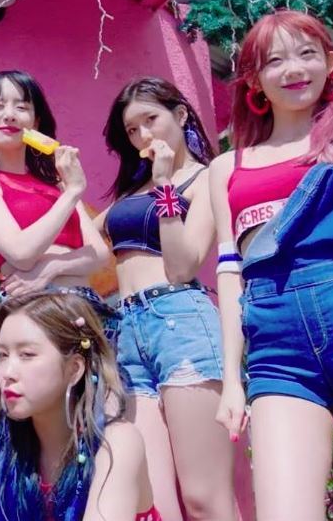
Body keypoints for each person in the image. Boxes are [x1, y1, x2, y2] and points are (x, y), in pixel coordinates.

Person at [210, 9, 333, 519]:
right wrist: (232, 378)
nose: (293, 69)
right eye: (274, 61)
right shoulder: (228, 166)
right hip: (276, 345)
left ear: (330, 62)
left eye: (307, 53)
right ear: (253, 79)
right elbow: (230, 269)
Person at [96, 77, 233, 519]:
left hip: (180, 323)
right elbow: (89, 241)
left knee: (203, 498)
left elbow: (183, 265)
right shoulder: (130, 192)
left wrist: (165, 186)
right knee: (153, 502)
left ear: (181, 114)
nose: (142, 135)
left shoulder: (206, 176)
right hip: (125, 332)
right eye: (131, 129)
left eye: (150, 120)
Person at [0, 292, 160, 521]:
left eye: (27, 355)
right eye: (2, 355)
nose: (7, 372)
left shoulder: (115, 443)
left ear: (75, 369)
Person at [0, 70, 110, 319]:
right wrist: (72, 193)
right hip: (36, 308)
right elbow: (21, 253)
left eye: (21, 107)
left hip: (87, 304)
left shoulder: (59, 184)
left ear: (36, 122)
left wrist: (50, 267)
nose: (10, 115)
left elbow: (99, 254)